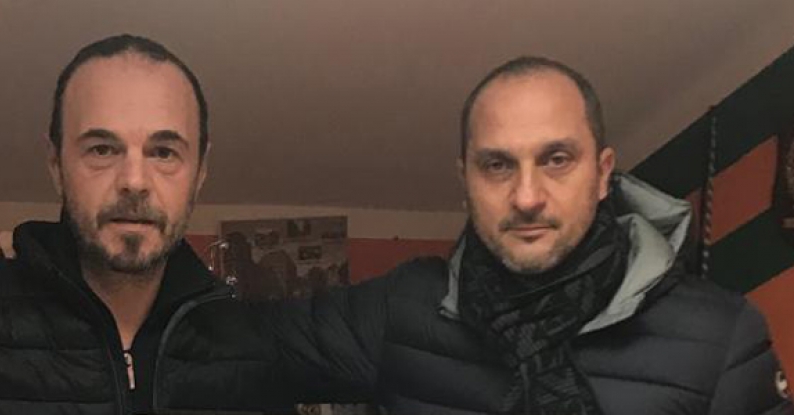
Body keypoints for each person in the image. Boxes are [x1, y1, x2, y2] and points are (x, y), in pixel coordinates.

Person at [258, 56, 793, 414]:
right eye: (497, 165)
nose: (528, 196)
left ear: (603, 174)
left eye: (556, 159)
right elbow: (231, 350)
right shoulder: (403, 309)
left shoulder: (720, 335)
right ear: (466, 182)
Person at [0, 34, 289, 415]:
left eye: (164, 152)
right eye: (102, 149)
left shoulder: (258, 352)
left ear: (200, 171)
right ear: (56, 165)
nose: (134, 181)